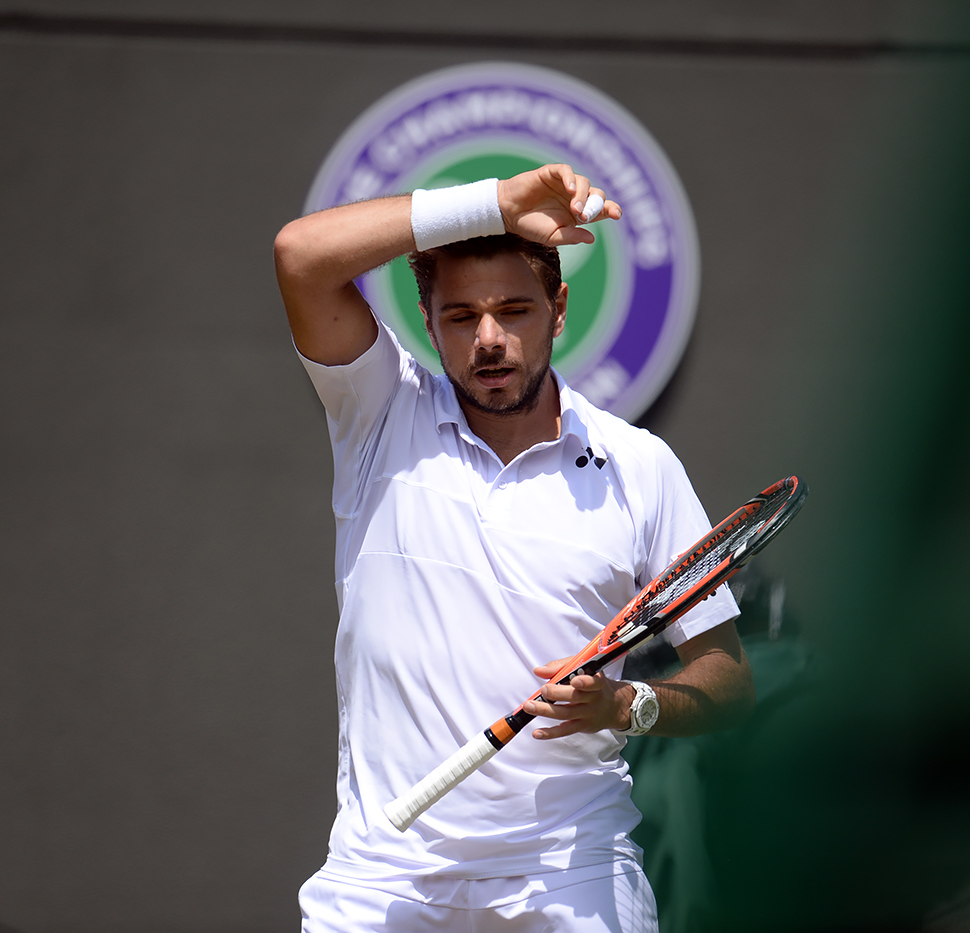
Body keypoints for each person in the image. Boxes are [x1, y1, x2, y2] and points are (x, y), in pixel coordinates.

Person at [274, 164, 755, 932]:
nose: (489, 339)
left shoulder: (640, 466)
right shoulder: (377, 413)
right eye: (460, 316)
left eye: (514, 310)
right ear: (427, 323)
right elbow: (301, 254)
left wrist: (626, 705)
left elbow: (726, 679)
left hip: (574, 864)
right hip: (383, 871)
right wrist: (497, 203)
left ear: (559, 311)